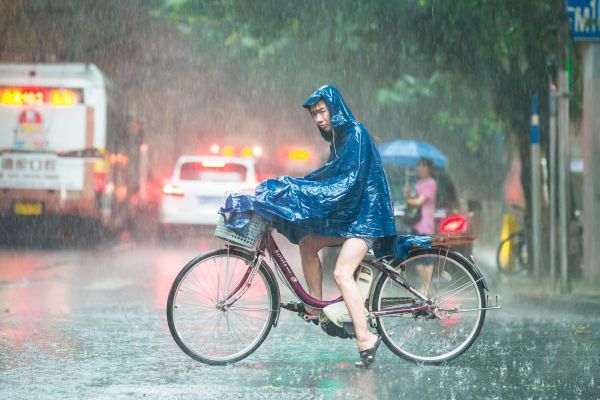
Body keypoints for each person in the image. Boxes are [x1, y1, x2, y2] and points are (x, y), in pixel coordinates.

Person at [220, 85, 396, 368]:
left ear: (335, 108)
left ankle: (366, 339)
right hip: (352, 218)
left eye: (322, 111)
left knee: (341, 272)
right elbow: (327, 177)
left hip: (367, 219)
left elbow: (344, 185)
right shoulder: (339, 139)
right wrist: (293, 187)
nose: (318, 119)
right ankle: (316, 308)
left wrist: (299, 192)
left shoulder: (356, 135)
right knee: (308, 243)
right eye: (314, 114)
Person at [404, 158, 438, 295]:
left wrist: (409, 199)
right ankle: (425, 285)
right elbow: (413, 199)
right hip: (415, 223)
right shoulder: (418, 183)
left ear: (429, 169)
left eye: (422, 167)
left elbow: (418, 202)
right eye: (418, 166)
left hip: (426, 225)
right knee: (415, 255)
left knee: (426, 256)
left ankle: (427, 286)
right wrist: (407, 193)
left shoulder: (431, 183)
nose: (419, 169)